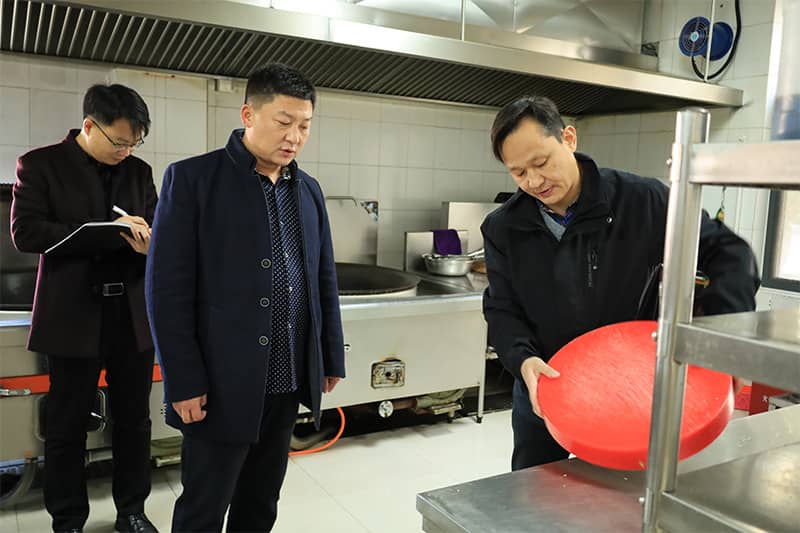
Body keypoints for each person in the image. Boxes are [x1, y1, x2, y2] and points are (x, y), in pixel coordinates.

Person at [481, 96, 760, 471]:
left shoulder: (643, 201)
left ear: (569, 138)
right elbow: (502, 307)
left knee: (622, 489)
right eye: (518, 173)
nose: (533, 181)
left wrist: (724, 337)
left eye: (541, 163)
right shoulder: (503, 227)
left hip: (630, 387)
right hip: (547, 384)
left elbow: (730, 253)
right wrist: (523, 360)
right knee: (536, 486)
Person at [145, 63, 345, 532]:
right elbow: (167, 289)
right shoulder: (193, 180)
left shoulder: (308, 190)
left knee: (260, 503)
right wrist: (183, 379)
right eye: (283, 122)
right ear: (248, 115)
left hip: (286, 379)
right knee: (204, 507)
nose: (294, 137)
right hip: (220, 383)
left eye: (304, 126)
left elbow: (323, 278)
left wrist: (328, 355)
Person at [10, 84, 158, 533]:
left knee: (134, 420)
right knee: (67, 423)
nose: (126, 152)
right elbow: (26, 233)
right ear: (89, 126)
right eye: (119, 142)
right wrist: (105, 231)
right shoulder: (40, 165)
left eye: (134, 143)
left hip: (130, 315)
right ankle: (68, 519)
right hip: (72, 314)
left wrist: (149, 243)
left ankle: (132, 511)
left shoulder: (139, 171)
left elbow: (157, 225)